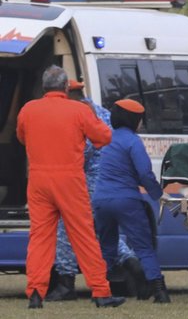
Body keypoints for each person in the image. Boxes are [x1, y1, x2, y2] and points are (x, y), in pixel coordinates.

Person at [15, 65, 125, 309]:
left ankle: (35, 292)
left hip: (38, 180)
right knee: (83, 235)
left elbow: (22, 136)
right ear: (66, 87)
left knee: (40, 238)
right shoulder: (78, 110)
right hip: (70, 180)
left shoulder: (28, 110)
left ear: (44, 87)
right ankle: (100, 291)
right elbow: (105, 137)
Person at [46, 80, 144, 302]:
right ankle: (132, 262)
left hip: (90, 181)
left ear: (67, 95)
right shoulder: (104, 113)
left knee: (66, 229)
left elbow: (82, 152)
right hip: (114, 181)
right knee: (99, 230)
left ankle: (66, 284)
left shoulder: (79, 114)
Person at [93, 99, 170, 303]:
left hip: (101, 199)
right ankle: (159, 290)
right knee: (143, 246)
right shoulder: (133, 141)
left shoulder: (106, 138)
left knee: (106, 247)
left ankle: (100, 291)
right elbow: (144, 173)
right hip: (126, 200)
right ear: (134, 120)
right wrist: (157, 193)